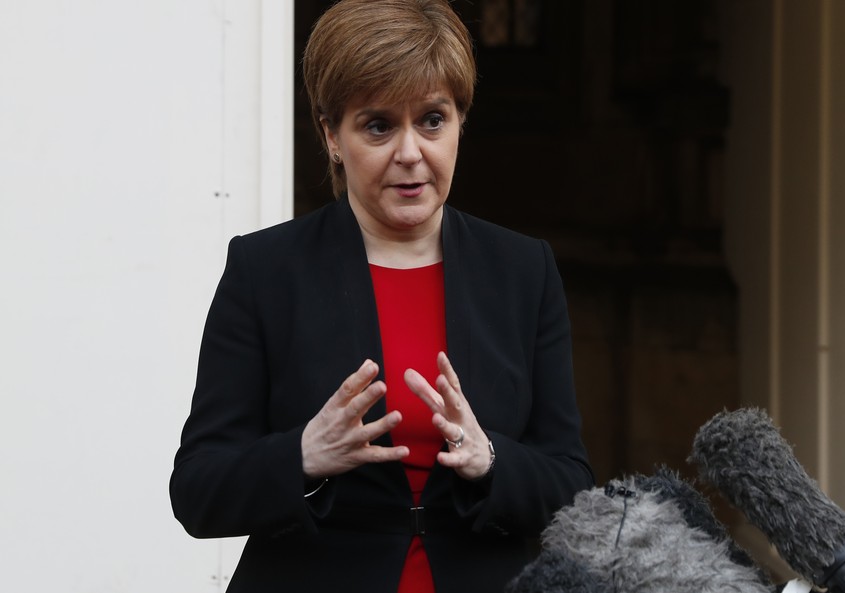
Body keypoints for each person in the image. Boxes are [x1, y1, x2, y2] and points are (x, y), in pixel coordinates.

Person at [169, 0, 595, 591]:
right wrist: (302, 455)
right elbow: (197, 491)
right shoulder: (264, 270)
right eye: (377, 125)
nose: (410, 152)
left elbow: (571, 485)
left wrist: (490, 458)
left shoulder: (524, 270)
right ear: (331, 136)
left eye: (432, 119)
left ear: (459, 124)